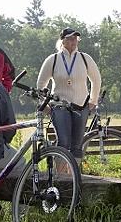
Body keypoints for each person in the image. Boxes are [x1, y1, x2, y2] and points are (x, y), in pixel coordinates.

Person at [36, 27, 101, 165]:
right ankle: (61, 177)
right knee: (64, 141)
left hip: (81, 105)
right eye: (70, 38)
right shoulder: (53, 59)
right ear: (62, 41)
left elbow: (96, 79)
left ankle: (75, 178)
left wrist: (93, 101)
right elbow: (40, 85)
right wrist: (45, 104)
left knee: (77, 145)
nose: (73, 41)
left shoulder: (85, 58)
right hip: (59, 106)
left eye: (75, 38)